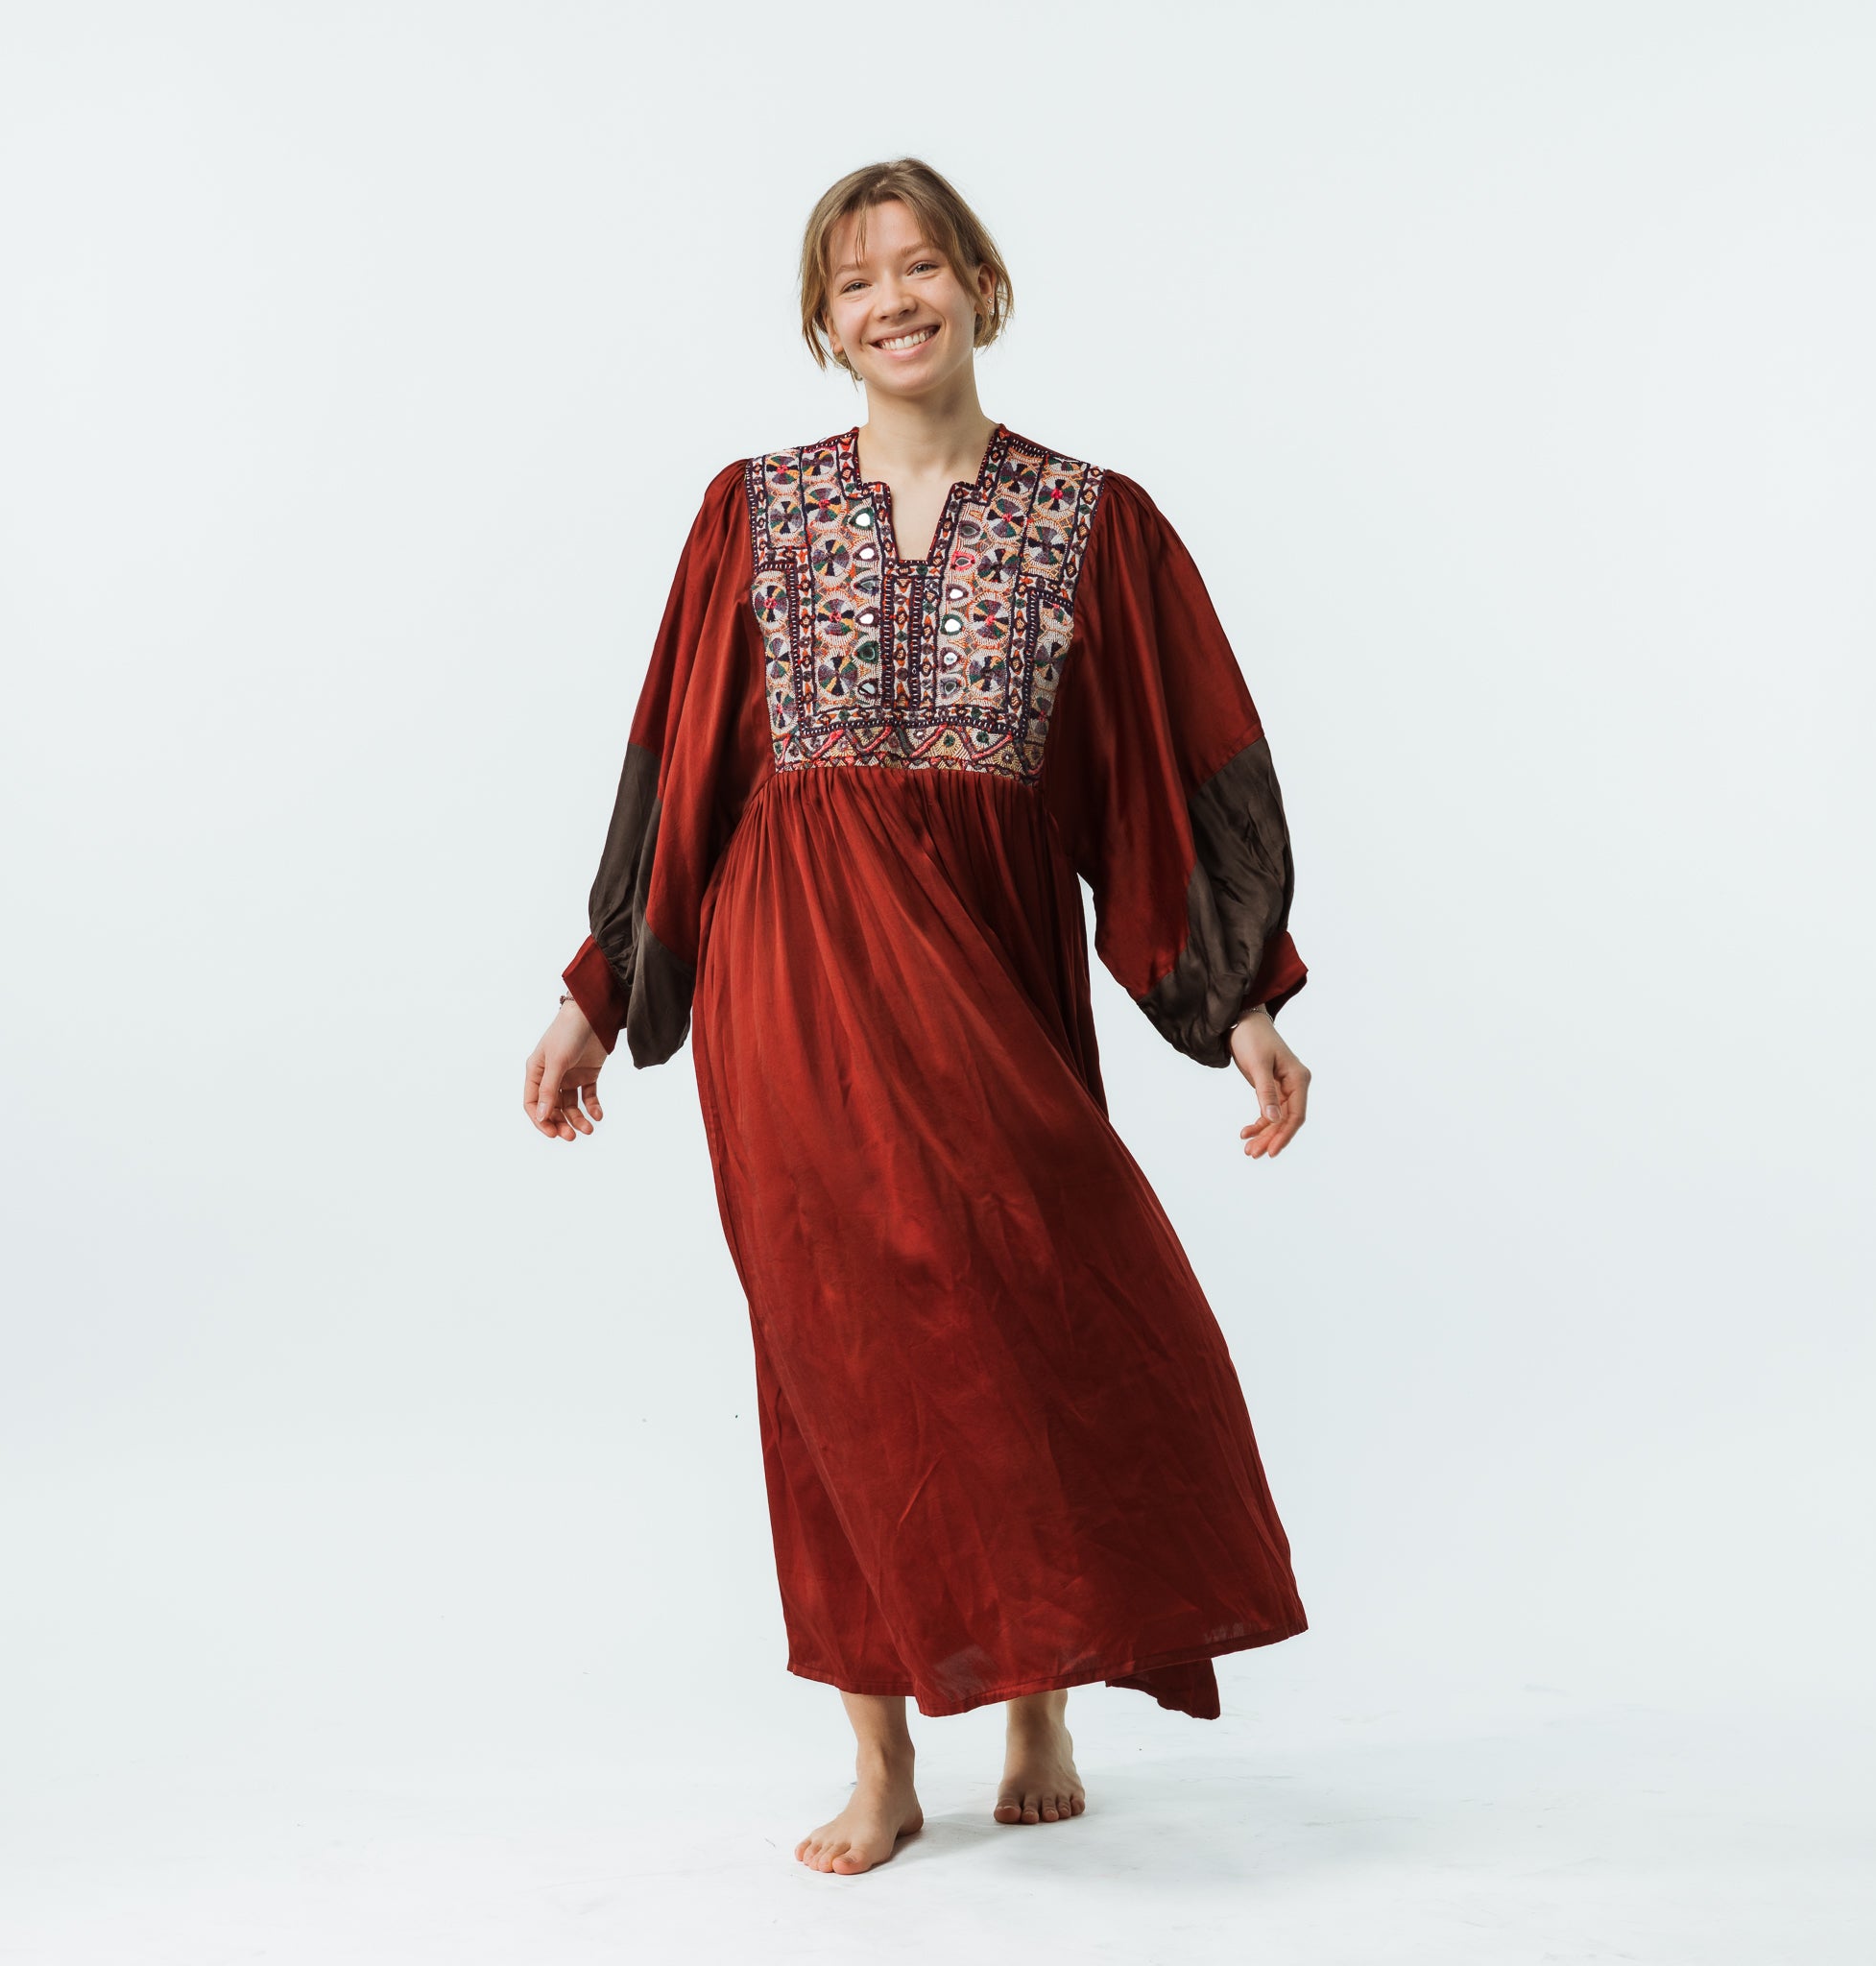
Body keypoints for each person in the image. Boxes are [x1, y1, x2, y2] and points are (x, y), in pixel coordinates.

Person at [523, 157, 1315, 1878]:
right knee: (835, 1352)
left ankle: (1038, 1699)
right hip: (788, 988)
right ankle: (879, 1755)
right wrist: (601, 988)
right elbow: (678, 765)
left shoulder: (1093, 522)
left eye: (923, 266)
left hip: (991, 974)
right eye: (856, 279)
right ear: (824, 322)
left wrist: (1242, 999)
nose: (894, 300)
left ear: (982, 287)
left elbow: (1165, 774)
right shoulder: (751, 511)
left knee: (1035, 1308)